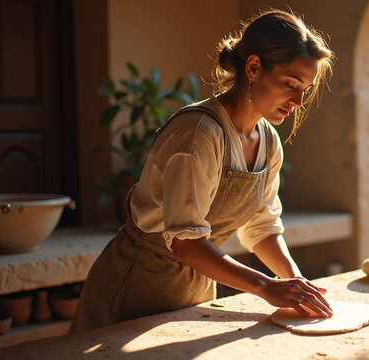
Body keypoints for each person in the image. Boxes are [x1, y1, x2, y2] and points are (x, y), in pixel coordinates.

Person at [69, 9, 335, 333]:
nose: (298, 100)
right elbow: (186, 242)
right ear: (253, 67)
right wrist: (266, 287)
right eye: (290, 83)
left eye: (305, 89)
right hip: (136, 287)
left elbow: (261, 227)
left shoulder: (268, 142)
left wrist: (295, 281)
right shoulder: (198, 133)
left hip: (195, 290)